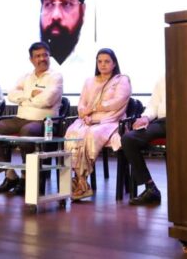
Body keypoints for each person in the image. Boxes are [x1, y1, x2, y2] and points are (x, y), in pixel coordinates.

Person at [0, 41, 63, 195]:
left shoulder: (55, 76)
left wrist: (24, 99)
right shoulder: (26, 77)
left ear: (49, 56)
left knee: (27, 131)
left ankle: (27, 178)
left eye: (45, 55)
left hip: (44, 121)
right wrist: (31, 94)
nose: (42, 59)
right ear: (31, 59)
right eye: (38, 56)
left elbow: (47, 100)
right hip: (20, 118)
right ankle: (10, 174)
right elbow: (11, 95)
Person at [64, 48, 131, 200]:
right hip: (88, 120)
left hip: (110, 120)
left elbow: (117, 102)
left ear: (114, 64)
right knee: (72, 133)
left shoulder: (122, 80)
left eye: (107, 61)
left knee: (91, 134)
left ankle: (81, 181)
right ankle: (80, 179)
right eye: (99, 61)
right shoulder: (89, 81)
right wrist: (84, 115)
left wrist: (93, 110)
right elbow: (82, 103)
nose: (103, 64)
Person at [120, 75, 165, 205]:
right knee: (129, 139)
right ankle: (150, 187)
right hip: (163, 122)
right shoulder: (162, 79)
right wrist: (145, 117)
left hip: (186, 122)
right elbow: (153, 105)